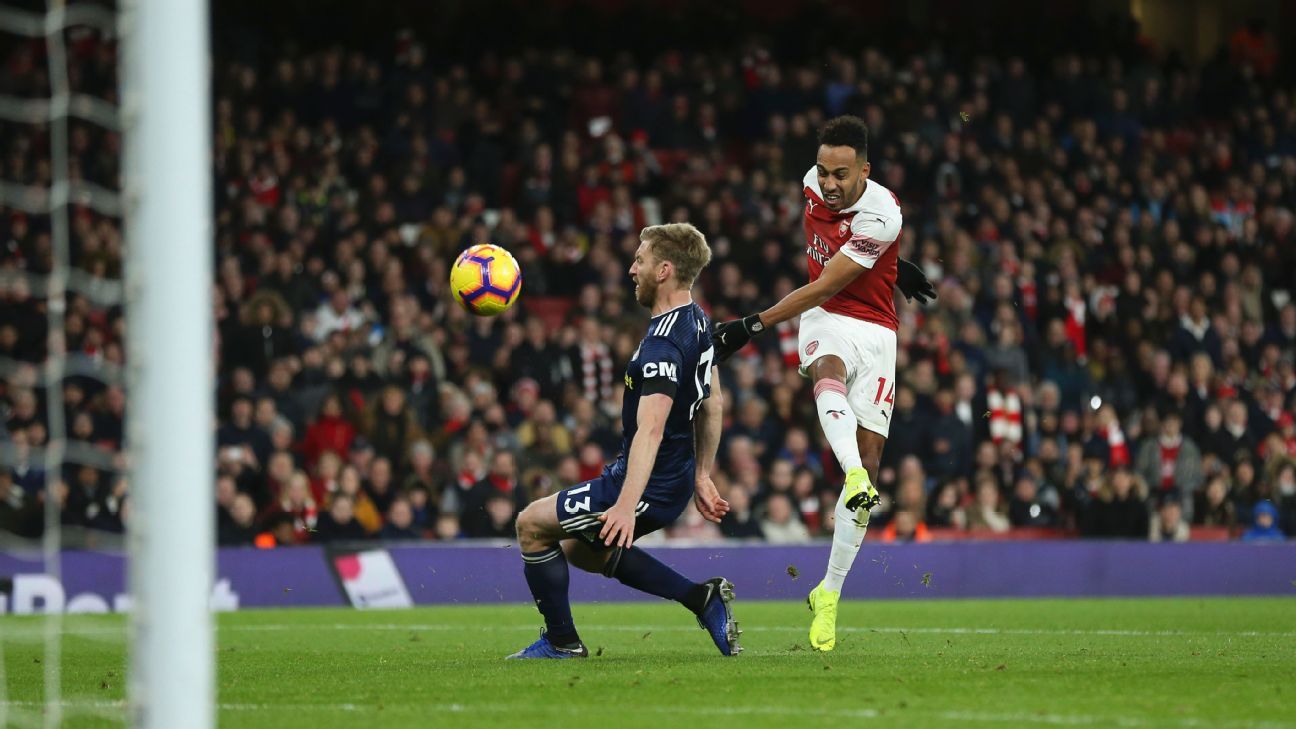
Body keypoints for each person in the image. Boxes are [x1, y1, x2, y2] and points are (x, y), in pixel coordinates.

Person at [712, 115, 934, 652]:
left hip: (877, 331)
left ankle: (828, 592)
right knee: (826, 371)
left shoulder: (883, 215)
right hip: (826, 317)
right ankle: (853, 474)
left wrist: (751, 324)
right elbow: (823, 291)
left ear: (865, 171)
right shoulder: (810, 184)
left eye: (841, 174)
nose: (828, 183)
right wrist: (893, 263)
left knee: (873, 463)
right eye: (823, 171)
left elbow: (828, 278)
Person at [509, 223, 739, 659]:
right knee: (580, 549)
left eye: (640, 260)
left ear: (664, 270)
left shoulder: (662, 347)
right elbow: (713, 403)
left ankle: (561, 642)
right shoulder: (697, 320)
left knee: (531, 526)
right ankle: (701, 598)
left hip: (647, 483)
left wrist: (625, 505)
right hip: (669, 477)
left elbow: (651, 429)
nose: (632, 269)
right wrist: (702, 474)